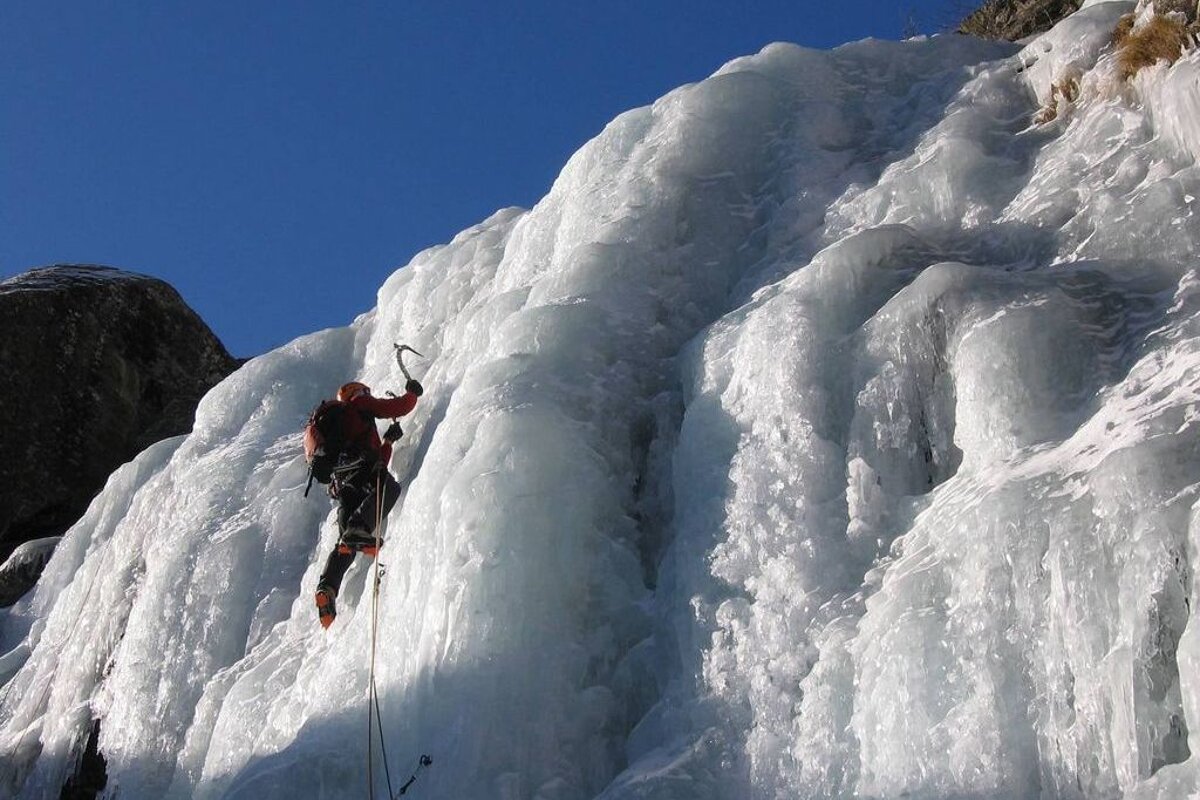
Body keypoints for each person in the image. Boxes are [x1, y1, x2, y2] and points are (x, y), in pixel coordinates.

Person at [315, 377, 422, 628]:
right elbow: (395, 408)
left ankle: (327, 588)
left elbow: (378, 459)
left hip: (345, 484)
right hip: (362, 471)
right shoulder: (359, 404)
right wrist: (411, 394)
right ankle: (358, 528)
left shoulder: (346, 427)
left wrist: (387, 442)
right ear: (358, 392)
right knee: (390, 489)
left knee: (345, 545)